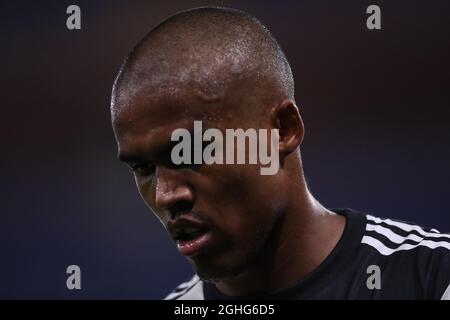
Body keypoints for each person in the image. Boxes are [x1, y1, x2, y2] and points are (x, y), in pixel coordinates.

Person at [110, 6, 450, 299]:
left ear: (283, 129)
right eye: (143, 168)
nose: (167, 195)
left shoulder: (431, 280)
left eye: (191, 148)